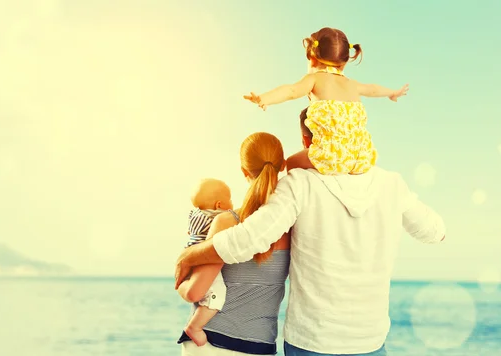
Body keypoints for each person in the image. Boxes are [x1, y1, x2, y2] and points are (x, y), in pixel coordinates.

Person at [175, 108, 446, 356]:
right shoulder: (391, 184)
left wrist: (187, 256)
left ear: (306, 142)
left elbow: (245, 242)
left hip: (312, 341)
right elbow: (435, 233)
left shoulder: (299, 185)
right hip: (370, 341)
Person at [177, 132, 291, 355]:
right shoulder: (293, 228)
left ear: (244, 171)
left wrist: (180, 283)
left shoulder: (226, 222)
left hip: (208, 344)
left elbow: (194, 293)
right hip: (259, 347)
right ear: (283, 166)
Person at [244, 27, 409, 176]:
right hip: (363, 156)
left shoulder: (314, 79)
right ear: (343, 64)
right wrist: (393, 93)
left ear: (313, 58)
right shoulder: (352, 84)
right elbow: (373, 89)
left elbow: (291, 91)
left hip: (333, 156)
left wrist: (265, 98)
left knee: (292, 162)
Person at [182, 178, 233, 346]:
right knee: (216, 297)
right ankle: (194, 327)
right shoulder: (219, 218)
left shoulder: (194, 215)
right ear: (219, 204)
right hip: (204, 258)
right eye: (230, 199)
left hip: (191, 254)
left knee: (201, 291)